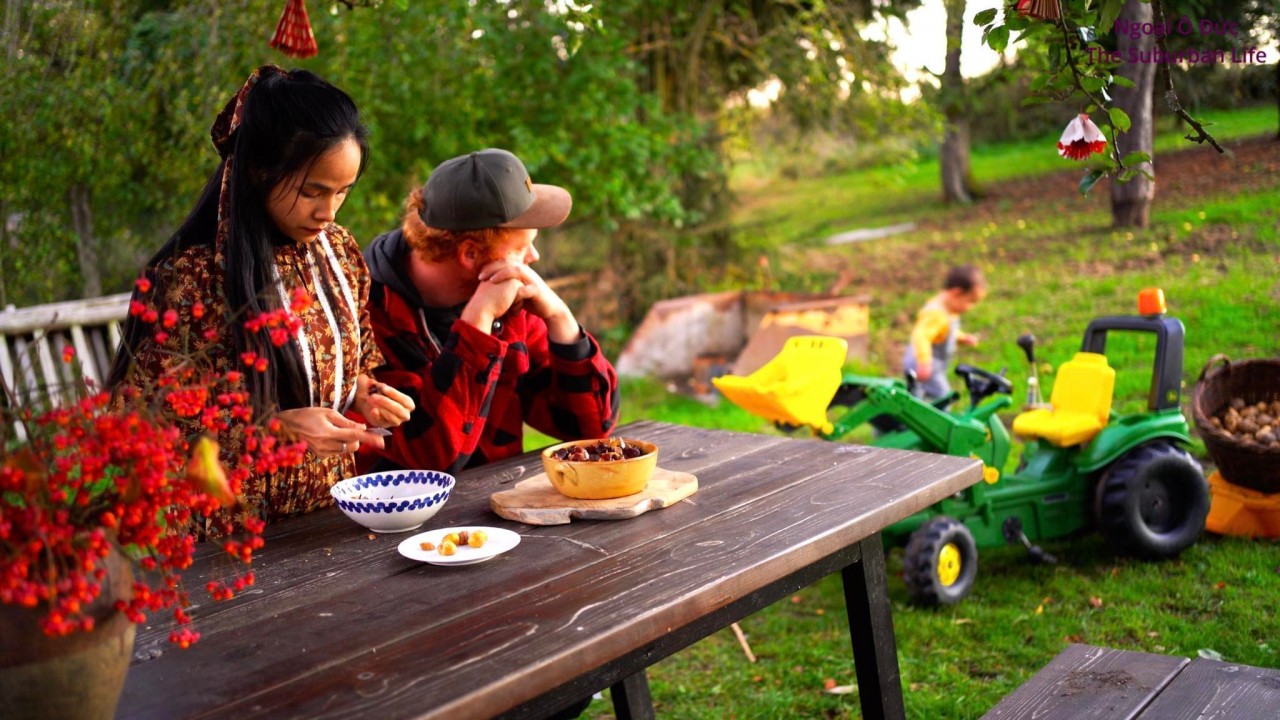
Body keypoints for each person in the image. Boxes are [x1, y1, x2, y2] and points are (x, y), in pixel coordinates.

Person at [108, 65, 415, 521]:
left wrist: (361, 392)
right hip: (222, 535)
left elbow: (350, 356)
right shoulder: (191, 277)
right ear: (259, 171)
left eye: (342, 192)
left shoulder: (340, 254)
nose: (327, 212)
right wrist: (278, 427)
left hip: (326, 513)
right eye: (313, 192)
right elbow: (145, 425)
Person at [358, 148, 619, 475]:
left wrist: (560, 318)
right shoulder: (365, 317)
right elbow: (434, 459)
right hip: (397, 520)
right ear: (470, 253)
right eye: (523, 247)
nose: (534, 257)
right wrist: (477, 326)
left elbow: (589, 426)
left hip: (498, 509)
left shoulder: (507, 301)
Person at [902, 264, 986, 402]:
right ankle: (933, 421)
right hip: (925, 363)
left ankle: (917, 420)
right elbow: (921, 335)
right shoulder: (936, 314)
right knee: (943, 395)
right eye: (970, 301)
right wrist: (924, 362)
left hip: (930, 364)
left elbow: (943, 332)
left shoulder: (946, 311)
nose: (970, 307)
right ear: (956, 293)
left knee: (918, 395)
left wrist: (962, 337)